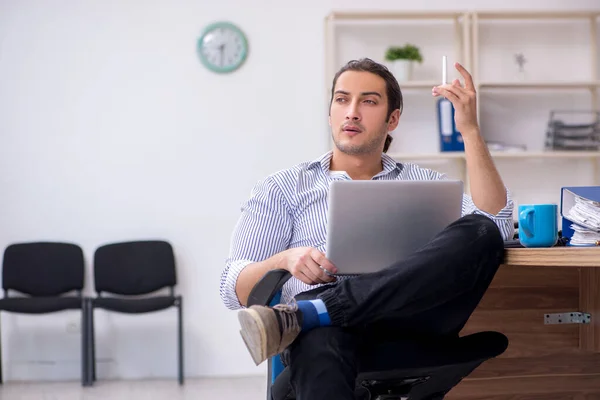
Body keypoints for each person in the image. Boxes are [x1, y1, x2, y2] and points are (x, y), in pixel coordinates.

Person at [220, 58, 514, 399]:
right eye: (342, 99)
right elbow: (232, 288)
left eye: (369, 101)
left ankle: (314, 311)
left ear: (393, 119)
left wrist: (470, 130)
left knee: (482, 231)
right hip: (330, 338)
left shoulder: (427, 185)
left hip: (413, 324)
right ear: (330, 112)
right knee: (319, 338)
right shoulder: (283, 188)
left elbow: (497, 225)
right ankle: (318, 314)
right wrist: (281, 260)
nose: (352, 112)